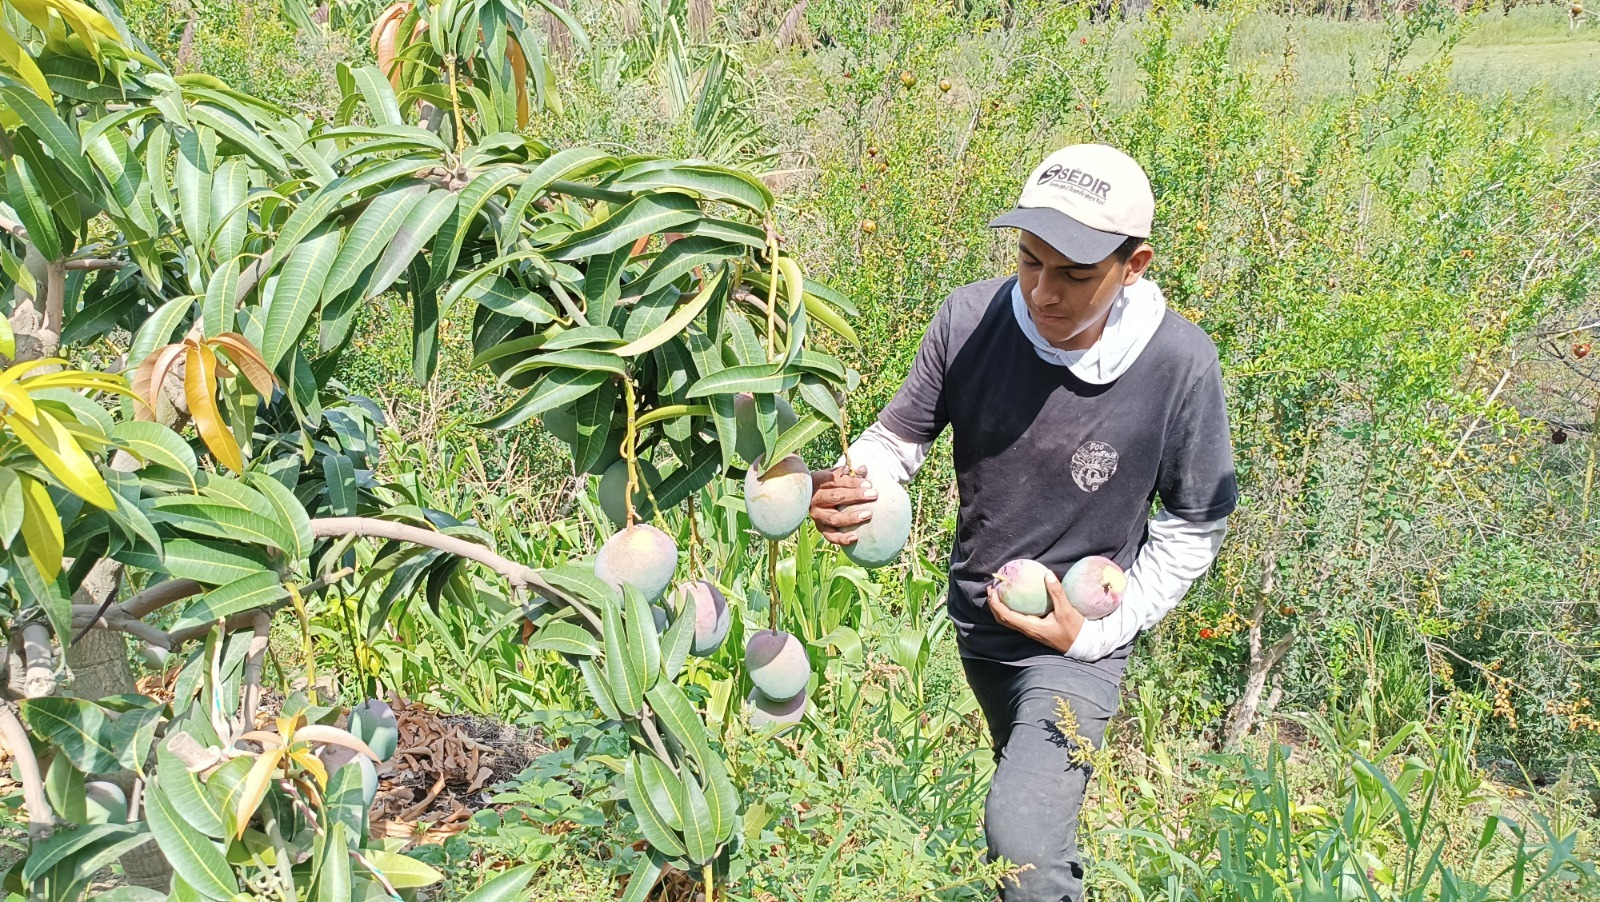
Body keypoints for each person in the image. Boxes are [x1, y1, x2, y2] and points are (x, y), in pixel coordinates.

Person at [808, 144, 1237, 902]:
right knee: (1036, 821)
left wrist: (1097, 631)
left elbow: (1195, 522)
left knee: (1023, 846)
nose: (1043, 291)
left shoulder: (1178, 362)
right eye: (1029, 260)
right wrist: (852, 485)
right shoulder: (969, 319)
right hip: (980, 626)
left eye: (1074, 274)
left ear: (1133, 265)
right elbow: (896, 443)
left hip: (1079, 649)